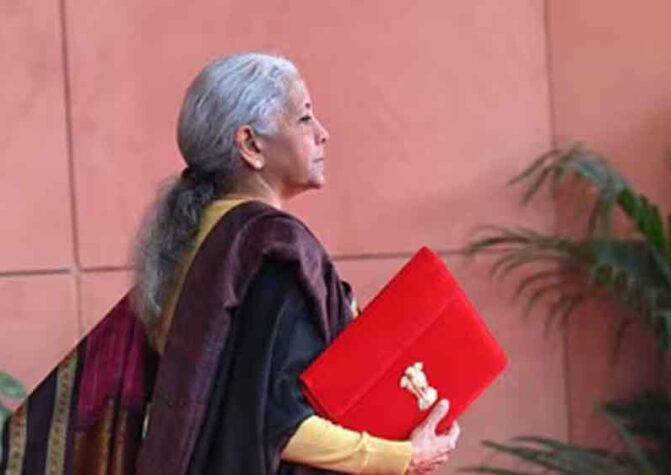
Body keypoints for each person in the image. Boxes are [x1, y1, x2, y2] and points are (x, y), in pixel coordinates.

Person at [0, 53, 459, 474]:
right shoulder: (269, 248)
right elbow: (274, 419)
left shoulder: (194, 237)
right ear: (251, 145)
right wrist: (400, 457)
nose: (322, 132)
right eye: (303, 116)